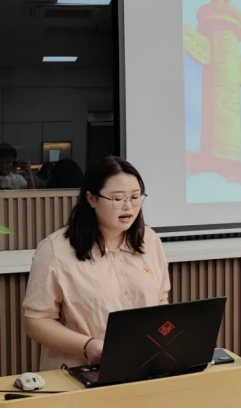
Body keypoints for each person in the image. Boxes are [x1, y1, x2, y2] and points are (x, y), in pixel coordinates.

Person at [23, 156, 170, 370]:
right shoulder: (55, 250)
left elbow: (161, 301)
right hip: (80, 370)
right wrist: (88, 345)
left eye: (135, 197)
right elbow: (36, 321)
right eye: (118, 198)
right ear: (91, 199)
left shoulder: (150, 240)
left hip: (143, 366)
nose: (128, 206)